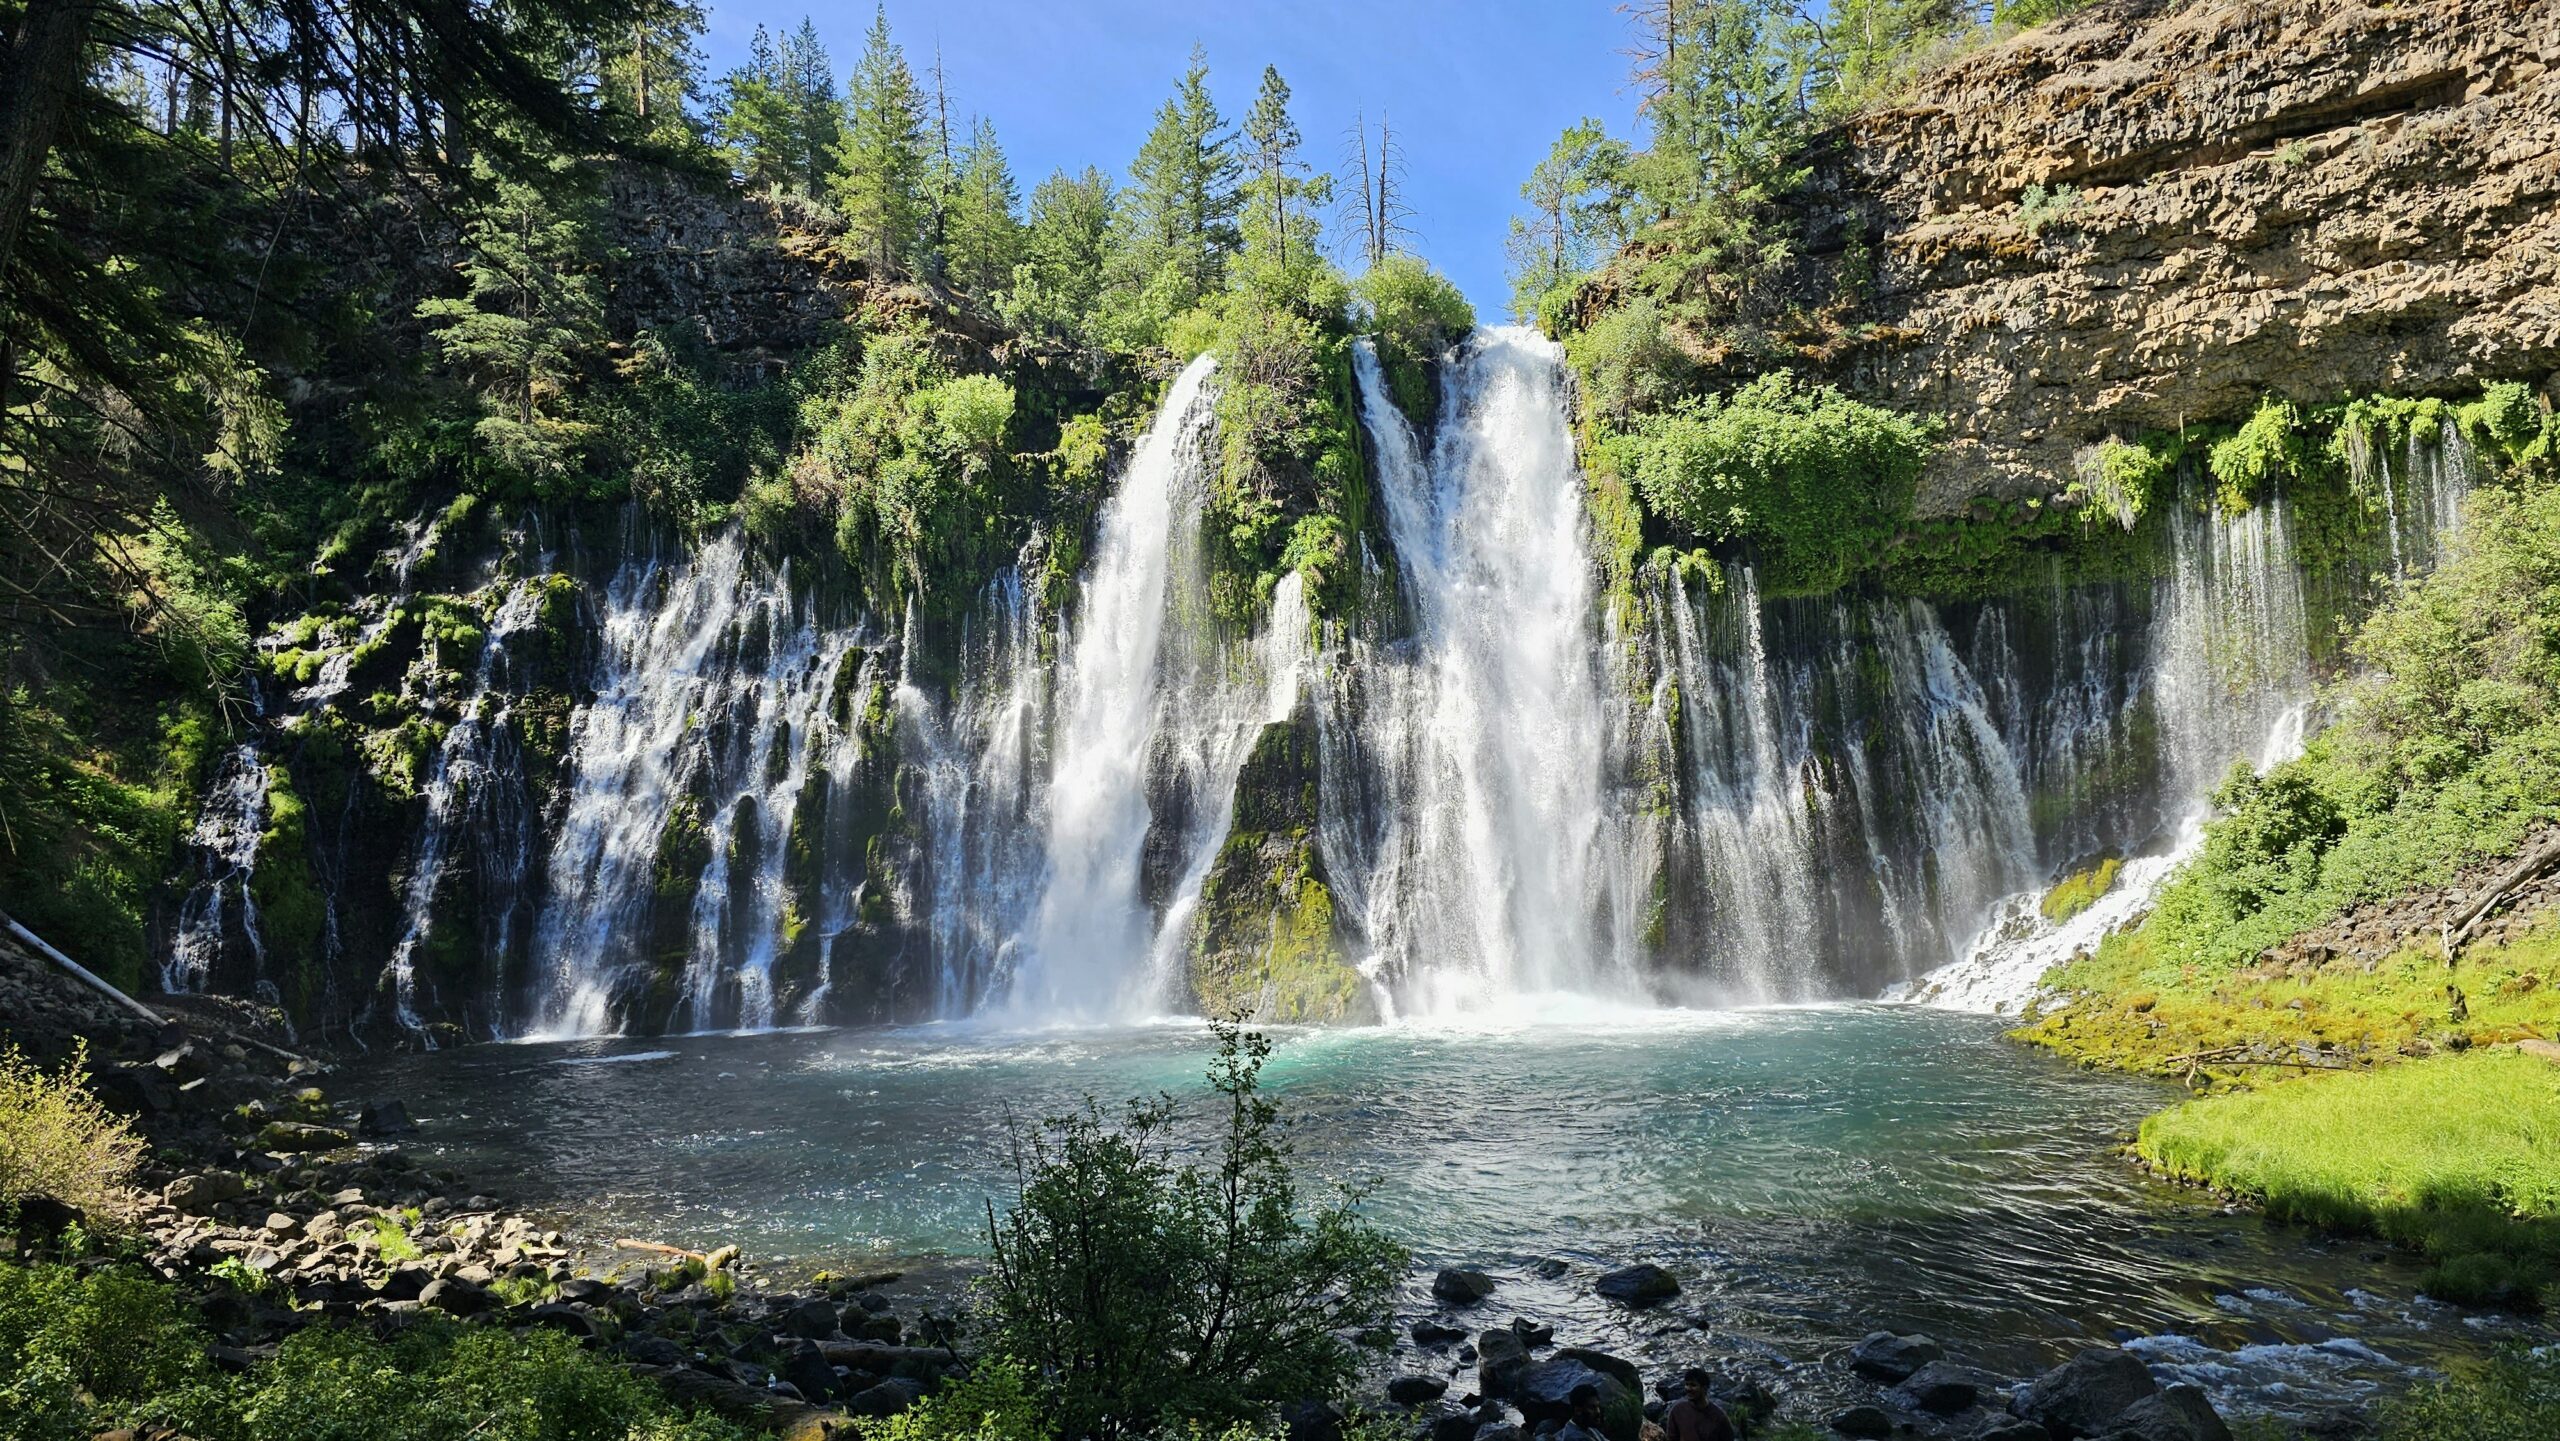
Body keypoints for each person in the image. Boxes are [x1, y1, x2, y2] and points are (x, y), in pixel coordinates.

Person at [1663, 1368, 1735, 1441]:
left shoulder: (1719, 1417)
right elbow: (1671, 1438)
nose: (1688, 1388)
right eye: (1687, 1384)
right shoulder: (1677, 1411)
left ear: (1704, 1388)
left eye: (1693, 1385)